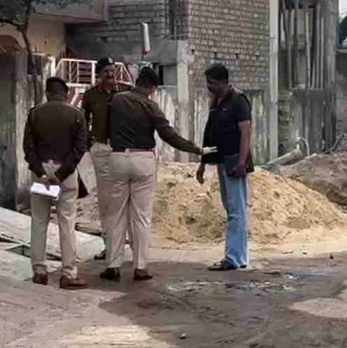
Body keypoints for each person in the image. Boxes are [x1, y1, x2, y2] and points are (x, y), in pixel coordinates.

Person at [101, 67, 204, 282]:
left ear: (137, 81)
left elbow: (103, 128)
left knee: (116, 214)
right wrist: (196, 149)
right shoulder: (150, 106)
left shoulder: (116, 100)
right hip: (143, 160)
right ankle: (140, 267)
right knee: (141, 216)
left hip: (117, 157)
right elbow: (168, 135)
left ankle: (112, 265)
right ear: (152, 87)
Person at [23, 77, 89, 290]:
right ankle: (68, 273)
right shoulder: (77, 115)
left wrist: (42, 173)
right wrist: (60, 174)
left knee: (39, 220)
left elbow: (28, 148)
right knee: (67, 222)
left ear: (47, 93)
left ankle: (39, 271)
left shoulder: (35, 114)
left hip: (41, 173)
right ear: (66, 94)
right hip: (66, 174)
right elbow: (79, 149)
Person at [197, 64, 254, 271]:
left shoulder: (238, 101)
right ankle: (239, 257)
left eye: (211, 82)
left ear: (222, 82)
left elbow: (245, 133)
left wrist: (242, 162)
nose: (209, 86)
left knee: (236, 211)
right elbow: (209, 132)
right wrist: (203, 163)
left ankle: (233, 258)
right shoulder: (216, 101)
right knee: (231, 209)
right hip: (221, 160)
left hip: (234, 162)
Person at [81, 56, 129, 260]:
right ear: (99, 74)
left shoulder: (125, 93)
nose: (110, 75)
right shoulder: (91, 95)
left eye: (112, 71)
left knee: (124, 198)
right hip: (101, 149)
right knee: (105, 199)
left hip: (122, 150)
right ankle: (109, 245)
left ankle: (126, 244)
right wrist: (88, 144)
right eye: (106, 71)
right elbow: (83, 121)